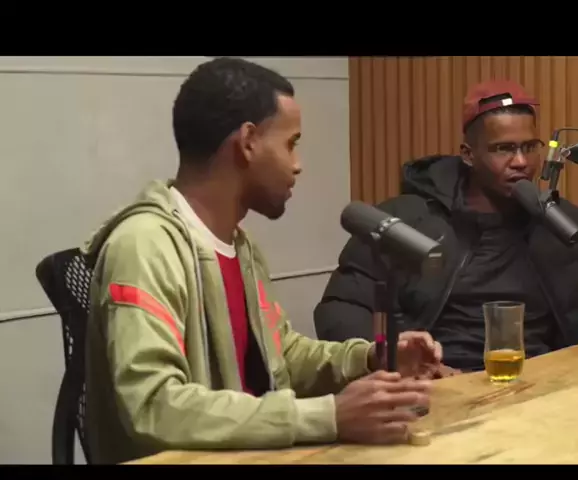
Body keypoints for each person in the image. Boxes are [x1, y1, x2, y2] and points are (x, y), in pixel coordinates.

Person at [81, 57, 442, 465]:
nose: (297, 165)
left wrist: (370, 357)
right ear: (248, 141)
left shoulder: (240, 246)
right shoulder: (144, 246)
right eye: (291, 143)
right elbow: (153, 405)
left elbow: (282, 356)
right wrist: (327, 416)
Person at [314, 79, 578, 375]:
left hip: (541, 385)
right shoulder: (408, 219)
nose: (521, 162)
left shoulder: (557, 221)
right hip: (438, 384)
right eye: (504, 149)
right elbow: (340, 310)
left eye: (529, 147)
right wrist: (398, 360)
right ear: (468, 155)